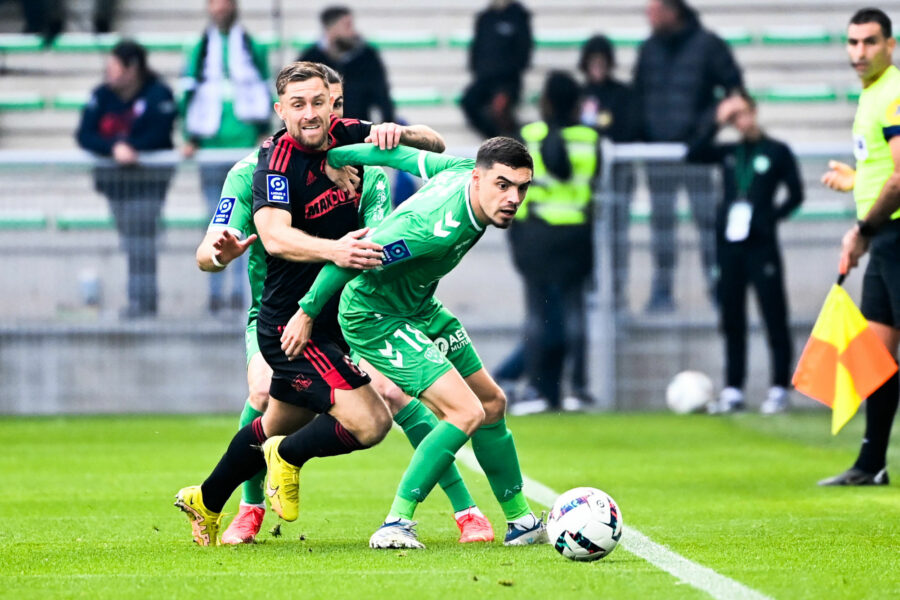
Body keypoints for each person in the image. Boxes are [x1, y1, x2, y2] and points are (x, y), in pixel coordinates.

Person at [175, 62, 493, 546]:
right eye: (299, 105)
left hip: (344, 312)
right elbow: (258, 241)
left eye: (323, 103)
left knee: (283, 419)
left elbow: (434, 148)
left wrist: (399, 132)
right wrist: (220, 254)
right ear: (280, 110)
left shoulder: (351, 145)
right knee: (352, 416)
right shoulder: (265, 168)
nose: (314, 113)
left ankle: (207, 499)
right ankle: (255, 502)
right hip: (286, 319)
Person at [287, 137, 549, 549]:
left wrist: (338, 156)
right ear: (478, 179)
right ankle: (396, 523)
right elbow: (357, 256)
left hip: (418, 305)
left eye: (521, 187)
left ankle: (521, 522)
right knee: (465, 412)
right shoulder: (432, 229)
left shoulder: (460, 170)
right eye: (503, 185)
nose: (513, 198)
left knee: (492, 402)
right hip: (374, 315)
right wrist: (306, 312)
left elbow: (401, 155)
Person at [819, 8, 900, 486]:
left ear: (890, 45)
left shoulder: (893, 94)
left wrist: (862, 230)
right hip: (885, 237)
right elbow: (883, 170)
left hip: (893, 233)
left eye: (870, 42)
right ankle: (872, 464)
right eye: (852, 42)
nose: (859, 52)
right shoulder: (873, 94)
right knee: (878, 356)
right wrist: (856, 181)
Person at [687, 92, 803, 415]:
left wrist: (769, 218)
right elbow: (693, 153)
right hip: (730, 247)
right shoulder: (730, 152)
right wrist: (717, 121)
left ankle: (779, 387)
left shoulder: (776, 151)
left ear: (754, 111)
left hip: (761, 246)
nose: (741, 121)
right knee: (732, 317)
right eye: (734, 117)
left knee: (773, 314)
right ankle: (733, 387)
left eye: (744, 113)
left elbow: (796, 194)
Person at [633, 0, 743, 312]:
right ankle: (662, 292)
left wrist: (706, 129)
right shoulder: (649, 49)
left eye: (654, 10)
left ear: (673, 11)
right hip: (657, 154)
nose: (648, 16)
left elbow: (734, 89)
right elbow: (638, 95)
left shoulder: (707, 45)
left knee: (708, 223)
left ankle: (719, 290)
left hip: (697, 154)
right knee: (662, 226)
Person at [500, 71, 599, 416]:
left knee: (537, 315)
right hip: (576, 235)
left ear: (546, 101)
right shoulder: (590, 138)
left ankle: (537, 389)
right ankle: (578, 389)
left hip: (536, 236)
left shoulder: (529, 136)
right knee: (575, 314)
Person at [180, 0, 271, 314]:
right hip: (211, 148)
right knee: (215, 222)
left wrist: (263, 130)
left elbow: (264, 87)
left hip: (244, 148)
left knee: (245, 224)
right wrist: (189, 136)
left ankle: (240, 295)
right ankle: (216, 293)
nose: (219, 8)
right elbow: (188, 89)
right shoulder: (199, 48)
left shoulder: (253, 46)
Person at [75, 40, 176, 318]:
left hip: (148, 183)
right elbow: (85, 134)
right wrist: (114, 148)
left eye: (114, 66)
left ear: (132, 69)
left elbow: (160, 133)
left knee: (140, 241)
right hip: (115, 185)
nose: (108, 71)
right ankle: (141, 301)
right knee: (132, 241)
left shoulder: (158, 94)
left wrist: (133, 149)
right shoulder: (101, 96)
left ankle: (143, 302)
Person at [579, 34, 639, 311]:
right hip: (586, 179)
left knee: (617, 235)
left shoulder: (622, 94)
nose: (598, 68)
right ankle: (590, 288)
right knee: (586, 236)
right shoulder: (580, 95)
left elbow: (630, 128)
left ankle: (616, 290)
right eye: (593, 62)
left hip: (618, 176)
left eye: (602, 62)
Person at [298, 6, 394, 123]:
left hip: (358, 128)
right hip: (320, 129)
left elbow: (382, 96)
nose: (353, 32)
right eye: (347, 26)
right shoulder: (309, 59)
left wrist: (388, 124)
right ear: (330, 27)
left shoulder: (367, 56)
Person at [460, 0, 533, 139]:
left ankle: (513, 139)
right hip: (485, 78)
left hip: (508, 80)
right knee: (468, 102)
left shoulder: (518, 15)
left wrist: (506, 84)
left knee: (500, 109)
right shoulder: (485, 17)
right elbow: (476, 48)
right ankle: (495, 139)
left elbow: (524, 51)